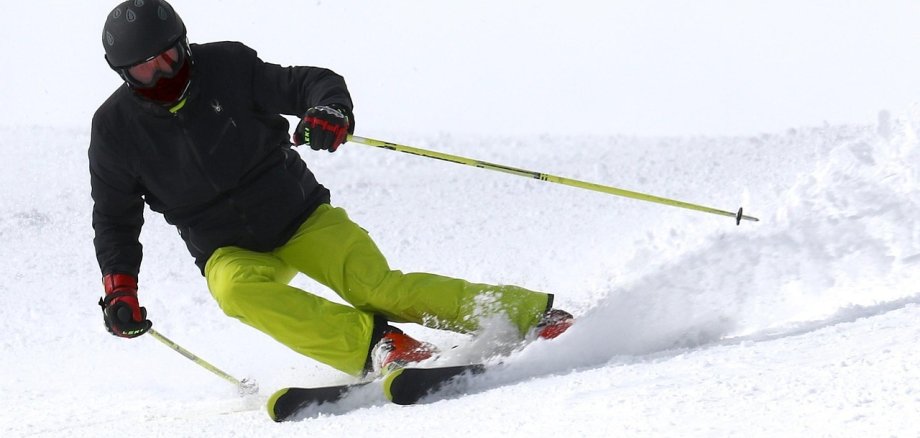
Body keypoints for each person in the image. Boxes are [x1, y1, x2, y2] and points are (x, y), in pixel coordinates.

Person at [91, 0, 573, 377]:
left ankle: (528, 315)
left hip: (300, 217)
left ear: (184, 44)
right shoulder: (115, 130)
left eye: (168, 57)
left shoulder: (227, 66)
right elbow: (115, 217)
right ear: (123, 73)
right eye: (144, 68)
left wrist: (329, 110)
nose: (161, 73)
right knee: (235, 291)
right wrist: (120, 289)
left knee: (377, 288)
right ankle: (379, 345)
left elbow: (311, 83)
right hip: (226, 247)